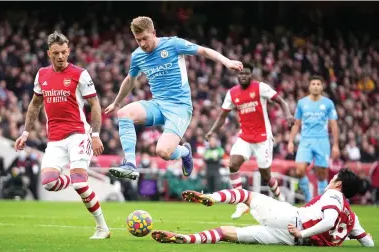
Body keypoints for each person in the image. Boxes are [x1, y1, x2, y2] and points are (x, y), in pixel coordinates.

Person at [104, 16, 243, 180]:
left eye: (145, 38)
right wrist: (117, 102)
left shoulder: (173, 44)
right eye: (138, 40)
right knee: (123, 113)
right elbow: (130, 80)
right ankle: (130, 165)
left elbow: (204, 51)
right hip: (157, 105)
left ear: (153, 33)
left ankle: (185, 151)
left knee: (163, 152)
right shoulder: (137, 56)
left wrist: (227, 62)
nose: (142, 44)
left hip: (180, 107)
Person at [14, 31, 110, 239]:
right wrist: (25, 133)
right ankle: (73, 178)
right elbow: (35, 104)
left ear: (69, 51)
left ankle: (102, 227)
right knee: (48, 182)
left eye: (64, 52)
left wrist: (95, 134)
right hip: (55, 138)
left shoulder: (80, 74)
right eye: (56, 53)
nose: (60, 56)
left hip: (79, 134)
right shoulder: (41, 75)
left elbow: (95, 105)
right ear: (49, 53)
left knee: (80, 184)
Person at [151, 168, 374, 247]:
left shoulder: (334, 195)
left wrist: (303, 231)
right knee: (226, 233)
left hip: (292, 222)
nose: (330, 182)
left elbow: (327, 220)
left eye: (333, 178)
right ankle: (187, 239)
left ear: (339, 184)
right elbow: (369, 243)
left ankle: (210, 197)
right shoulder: (352, 217)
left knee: (246, 195)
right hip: (291, 240)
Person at [205, 63, 295, 219]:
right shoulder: (232, 93)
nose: (243, 76)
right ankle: (241, 204)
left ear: (251, 75)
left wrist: (287, 115)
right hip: (245, 137)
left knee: (266, 175)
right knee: (232, 164)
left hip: (262, 138)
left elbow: (281, 101)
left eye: (246, 74)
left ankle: (280, 199)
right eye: (241, 74)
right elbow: (222, 116)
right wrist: (212, 131)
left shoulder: (260, 88)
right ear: (237, 75)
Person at [288, 75, 340, 202]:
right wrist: (290, 141)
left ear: (322, 87)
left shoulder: (328, 103)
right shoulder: (302, 103)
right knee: (299, 170)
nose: (316, 86)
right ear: (309, 86)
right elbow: (297, 123)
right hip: (306, 140)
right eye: (313, 84)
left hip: (322, 140)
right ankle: (308, 198)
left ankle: (321, 202)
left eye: (318, 84)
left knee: (322, 174)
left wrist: (336, 145)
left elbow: (333, 124)